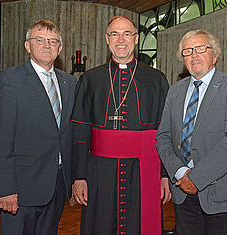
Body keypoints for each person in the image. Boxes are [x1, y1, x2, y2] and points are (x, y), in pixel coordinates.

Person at [71, 16, 171, 235]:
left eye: (127, 34)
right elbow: (79, 133)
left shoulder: (156, 79)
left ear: (135, 39)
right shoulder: (90, 79)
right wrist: (79, 177)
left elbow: (166, 132)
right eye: (115, 34)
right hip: (100, 170)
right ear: (107, 40)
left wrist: (165, 175)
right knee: (101, 224)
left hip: (144, 169)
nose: (121, 39)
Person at [156, 29, 227, 235]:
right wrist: (180, 172)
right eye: (188, 51)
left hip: (219, 192)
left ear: (214, 55)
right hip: (182, 190)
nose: (194, 55)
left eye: (200, 49)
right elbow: (163, 137)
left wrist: (196, 178)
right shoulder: (175, 91)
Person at [0, 20, 76, 234]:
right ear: (28, 46)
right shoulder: (9, 80)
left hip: (57, 185)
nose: (47, 45)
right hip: (21, 188)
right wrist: (6, 188)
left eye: (53, 41)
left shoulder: (70, 83)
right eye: (40, 40)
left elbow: (68, 133)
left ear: (60, 48)